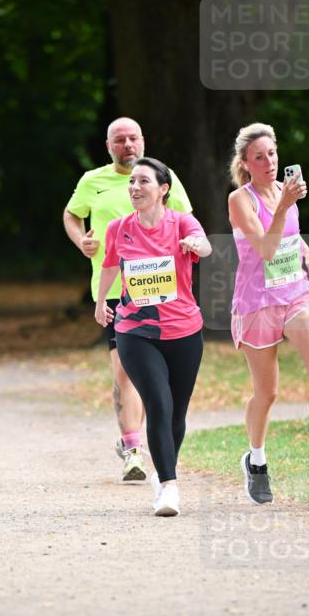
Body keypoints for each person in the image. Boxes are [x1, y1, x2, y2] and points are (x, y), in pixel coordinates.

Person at [227, 122, 309, 504]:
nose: (269, 162)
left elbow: (287, 233)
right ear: (245, 163)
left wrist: (304, 250)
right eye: (259, 157)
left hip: (295, 293)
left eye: (272, 153)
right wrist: (284, 204)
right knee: (267, 392)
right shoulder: (240, 200)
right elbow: (266, 249)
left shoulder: (285, 193)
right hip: (256, 301)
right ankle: (256, 460)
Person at [64, 118, 193, 482]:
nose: (127, 145)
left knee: (154, 378)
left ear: (143, 140)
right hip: (114, 291)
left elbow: (185, 220)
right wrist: (81, 240)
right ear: (109, 146)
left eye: (133, 138)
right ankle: (133, 450)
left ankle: (144, 440)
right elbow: (71, 214)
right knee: (123, 370)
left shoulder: (164, 177)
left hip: (159, 287)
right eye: (119, 140)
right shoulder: (93, 181)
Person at [95, 157, 211, 516]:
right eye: (132, 181)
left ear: (163, 189)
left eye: (143, 181)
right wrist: (100, 303)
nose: (135, 187)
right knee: (158, 403)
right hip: (135, 330)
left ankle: (162, 474)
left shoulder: (182, 222)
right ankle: (169, 487)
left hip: (184, 329)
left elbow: (205, 245)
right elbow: (109, 265)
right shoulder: (119, 228)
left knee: (177, 412)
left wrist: (195, 244)